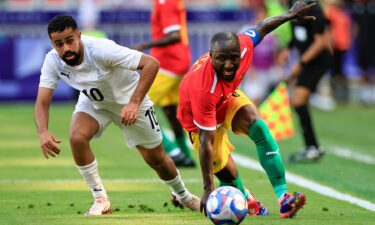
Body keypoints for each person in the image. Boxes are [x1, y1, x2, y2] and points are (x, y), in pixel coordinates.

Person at [34, 15, 200, 216]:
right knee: (77, 137)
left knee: (157, 160)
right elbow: (43, 101)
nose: (66, 48)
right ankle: (100, 199)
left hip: (130, 101)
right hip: (95, 103)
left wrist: (134, 103)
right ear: (52, 44)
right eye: (59, 44)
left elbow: (152, 63)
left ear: (79, 36)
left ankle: (183, 195)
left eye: (70, 41)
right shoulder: (52, 60)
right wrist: (42, 131)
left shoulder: (101, 50)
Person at [177, 0, 315, 218]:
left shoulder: (243, 45)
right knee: (228, 173)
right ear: (211, 56)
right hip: (198, 117)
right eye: (222, 59)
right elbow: (206, 140)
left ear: (239, 52)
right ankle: (248, 200)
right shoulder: (203, 88)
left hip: (226, 97)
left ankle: (283, 198)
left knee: (258, 126)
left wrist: (290, 14)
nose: (230, 64)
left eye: (233, 58)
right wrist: (207, 189)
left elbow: (262, 27)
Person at [132, 0, 195, 167]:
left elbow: (174, 35)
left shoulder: (165, 2)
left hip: (168, 63)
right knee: (170, 110)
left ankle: (173, 151)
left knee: (138, 105)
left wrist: (144, 45)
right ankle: (185, 154)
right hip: (179, 61)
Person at [287, 0, 330, 162]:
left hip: (318, 61)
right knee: (299, 102)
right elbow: (296, 35)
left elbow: (320, 43)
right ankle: (312, 147)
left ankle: (312, 147)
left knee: (298, 100)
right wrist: (287, 49)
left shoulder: (314, 8)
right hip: (307, 61)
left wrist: (300, 65)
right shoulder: (292, 5)